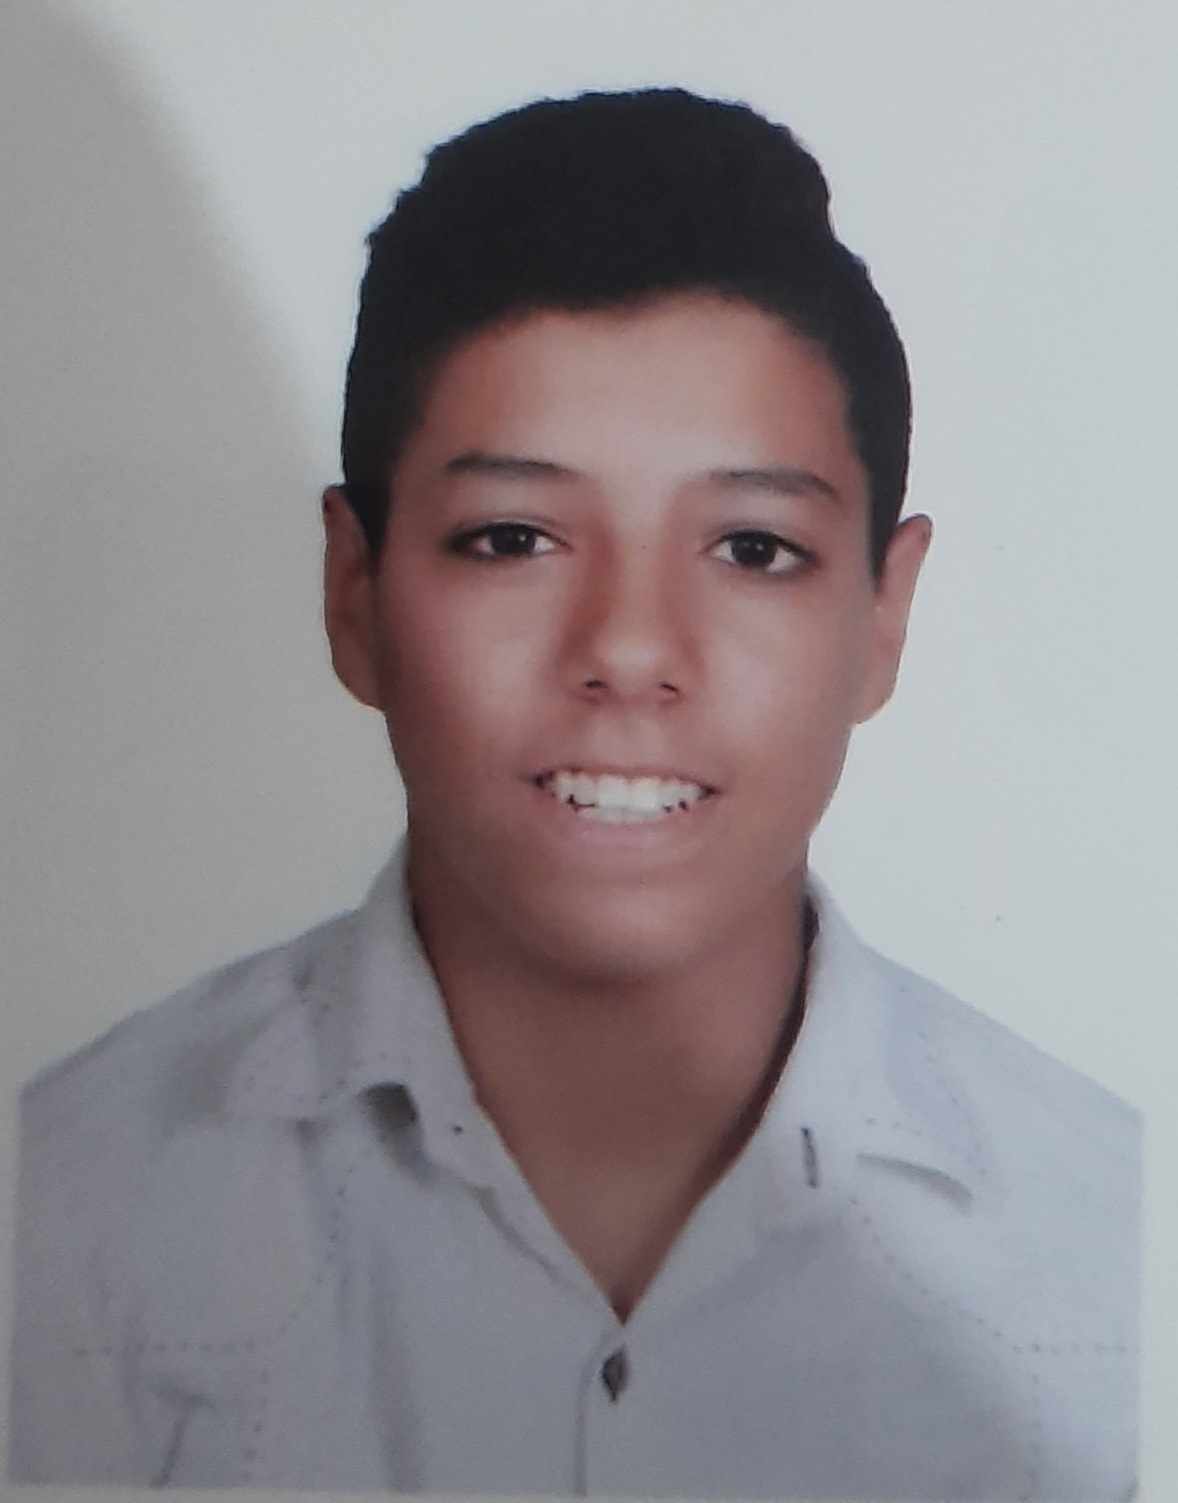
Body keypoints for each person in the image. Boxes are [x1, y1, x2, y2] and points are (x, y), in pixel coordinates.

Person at [8, 88, 1139, 1499]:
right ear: (353, 593)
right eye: (513, 537)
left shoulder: (1112, 1257)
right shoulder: (61, 1219)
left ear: (882, 616)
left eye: (752, 548)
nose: (629, 649)